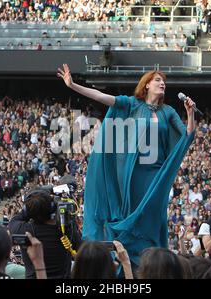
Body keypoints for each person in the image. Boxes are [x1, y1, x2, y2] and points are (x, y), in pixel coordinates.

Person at [57, 64, 196, 265]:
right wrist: (73, 85)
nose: (162, 83)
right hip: (131, 173)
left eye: (163, 81)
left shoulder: (169, 111)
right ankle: (126, 261)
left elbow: (187, 135)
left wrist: (190, 114)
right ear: (146, 85)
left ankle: (153, 261)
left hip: (156, 175)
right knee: (130, 214)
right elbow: (101, 97)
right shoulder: (131, 104)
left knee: (154, 216)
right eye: (157, 80)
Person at [8, 188, 81, 279]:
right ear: (53, 207)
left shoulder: (23, 230)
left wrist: (28, 210)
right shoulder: (66, 229)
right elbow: (79, 247)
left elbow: (13, 221)